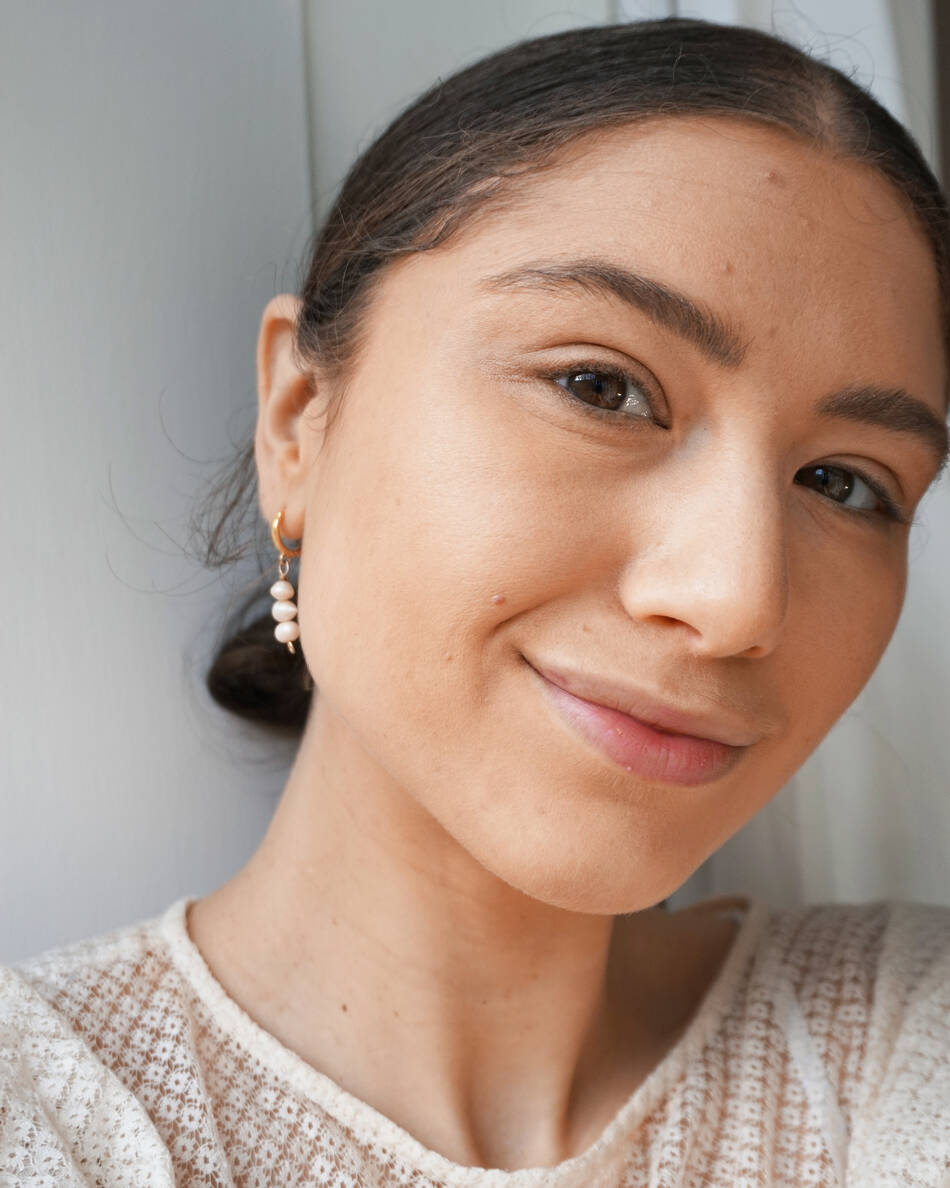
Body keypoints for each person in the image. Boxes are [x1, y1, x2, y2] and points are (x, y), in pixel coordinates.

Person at [3, 15, 949, 1187]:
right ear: (298, 421)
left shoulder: (910, 1055)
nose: (736, 600)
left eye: (843, 483)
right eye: (600, 387)